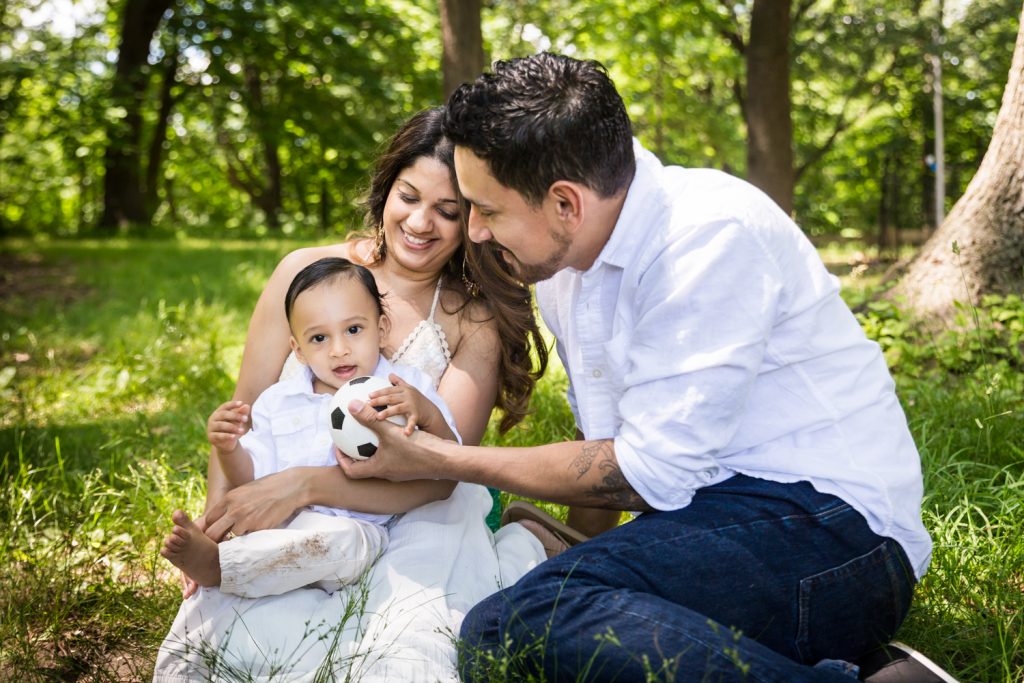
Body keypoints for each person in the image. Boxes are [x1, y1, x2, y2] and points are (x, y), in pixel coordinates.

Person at [337, 53, 955, 682]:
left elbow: (640, 475)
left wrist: (440, 460)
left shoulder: (706, 236)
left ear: (565, 204)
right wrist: (584, 555)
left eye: (487, 210)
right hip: (716, 520)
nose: (474, 231)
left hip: (835, 534)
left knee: (514, 626)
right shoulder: (565, 265)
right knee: (524, 619)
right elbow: (605, 451)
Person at [153, 108, 549, 682]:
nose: (421, 223)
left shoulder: (473, 318)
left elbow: (444, 471)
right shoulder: (307, 272)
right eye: (409, 197)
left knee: (405, 640)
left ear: (474, 222)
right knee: (248, 640)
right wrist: (225, 521)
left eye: (449, 211)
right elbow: (245, 413)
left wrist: (305, 484)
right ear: (386, 188)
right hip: (297, 503)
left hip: (416, 507)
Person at [160, 257, 460, 598]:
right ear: (298, 351)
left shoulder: (403, 386)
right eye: (318, 338)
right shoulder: (279, 401)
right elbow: (251, 478)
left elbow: (450, 459)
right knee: (277, 541)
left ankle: (222, 567)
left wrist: (426, 413)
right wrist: (229, 449)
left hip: (361, 527)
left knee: (341, 542)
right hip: (287, 523)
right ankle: (225, 562)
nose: (339, 349)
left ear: (381, 328)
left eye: (353, 329)